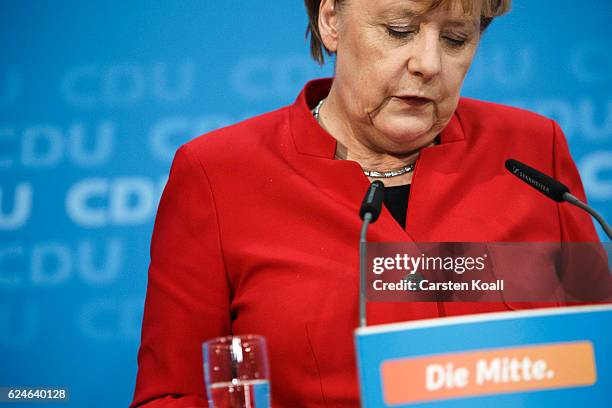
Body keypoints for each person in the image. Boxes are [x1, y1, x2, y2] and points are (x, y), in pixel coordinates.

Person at [130, 0, 599, 406]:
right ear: (332, 20)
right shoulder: (218, 175)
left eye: (456, 39)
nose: (429, 63)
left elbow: (600, 354)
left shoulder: (533, 152)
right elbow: (169, 396)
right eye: (400, 31)